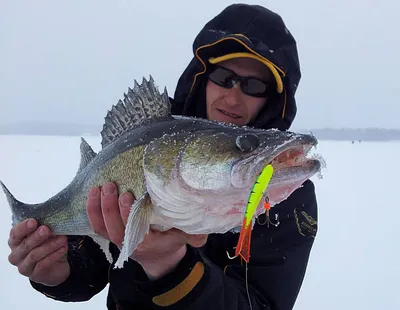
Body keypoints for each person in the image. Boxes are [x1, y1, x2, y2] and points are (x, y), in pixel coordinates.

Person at [7, 4, 318, 310]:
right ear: (203, 76)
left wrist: (169, 265)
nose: (233, 96)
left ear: (273, 99)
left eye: (254, 86)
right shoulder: (148, 143)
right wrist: (59, 273)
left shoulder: (287, 193)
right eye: (224, 76)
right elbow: (95, 262)